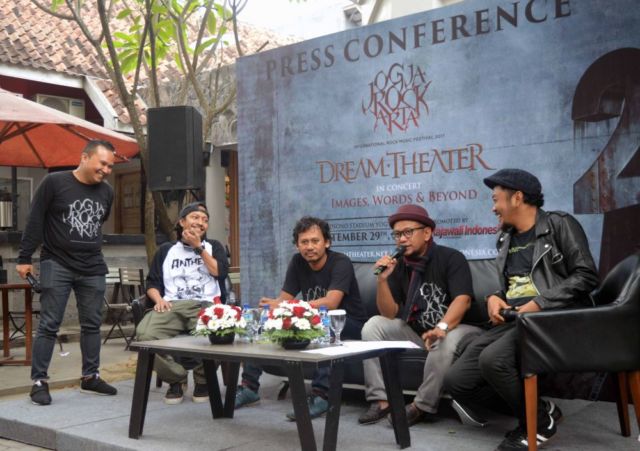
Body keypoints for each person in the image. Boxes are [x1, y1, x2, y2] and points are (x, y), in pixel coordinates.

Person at [443, 168, 599, 450]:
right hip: (514, 321)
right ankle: (541, 410)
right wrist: (493, 297)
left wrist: (539, 304)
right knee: (457, 381)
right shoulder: (506, 238)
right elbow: (512, 287)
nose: (493, 208)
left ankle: (537, 424)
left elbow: (587, 275)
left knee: (493, 360)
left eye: (496, 199)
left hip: (554, 319)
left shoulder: (559, 225)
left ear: (517, 198)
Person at [358, 204, 483, 426]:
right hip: (418, 332)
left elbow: (462, 300)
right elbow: (390, 313)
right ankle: (380, 399)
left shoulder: (451, 258)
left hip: (459, 330)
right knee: (373, 325)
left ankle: (421, 406)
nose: (402, 239)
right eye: (397, 234)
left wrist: (441, 328)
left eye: (408, 232)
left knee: (445, 338)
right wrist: (382, 280)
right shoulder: (398, 265)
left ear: (427, 233)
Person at [235, 216, 368, 420]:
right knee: (264, 322)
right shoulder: (298, 262)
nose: (310, 247)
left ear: (327, 242)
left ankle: (321, 396)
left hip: (347, 323)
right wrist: (273, 309)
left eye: (315, 241)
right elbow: (284, 299)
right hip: (312, 321)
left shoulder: (341, 262)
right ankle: (249, 388)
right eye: (304, 242)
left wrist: (289, 306)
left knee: (326, 326)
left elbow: (332, 303)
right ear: (297, 245)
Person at [16, 139, 118, 406]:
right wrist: (24, 257)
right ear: (85, 157)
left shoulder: (107, 192)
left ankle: (90, 377)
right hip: (56, 263)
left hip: (93, 265)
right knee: (49, 324)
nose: (106, 170)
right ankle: (39, 382)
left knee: (92, 324)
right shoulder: (54, 183)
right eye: (103, 163)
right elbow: (35, 219)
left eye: (110, 166)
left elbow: (98, 222)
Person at [136, 201, 229, 404]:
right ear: (181, 222)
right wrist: (158, 299)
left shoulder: (214, 247)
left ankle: (204, 380)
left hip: (206, 305)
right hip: (172, 305)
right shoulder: (166, 250)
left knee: (220, 331)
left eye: (205, 220)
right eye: (195, 217)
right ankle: (176, 379)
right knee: (145, 334)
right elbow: (152, 282)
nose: (201, 222)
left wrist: (199, 248)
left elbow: (219, 272)